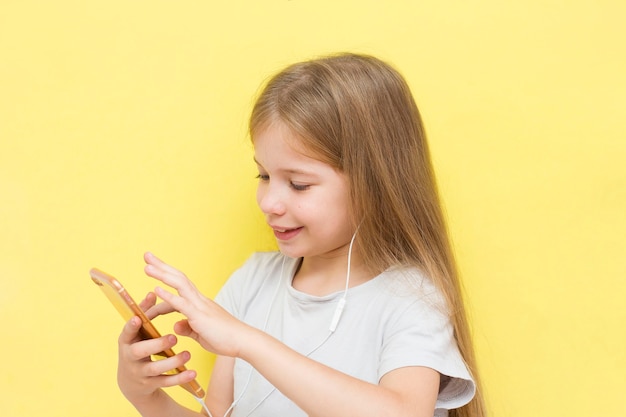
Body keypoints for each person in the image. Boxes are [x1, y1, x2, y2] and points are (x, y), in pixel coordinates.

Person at [116, 53, 487, 417]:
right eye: (263, 176)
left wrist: (248, 341)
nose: (269, 202)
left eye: (298, 184)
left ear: (374, 182)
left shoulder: (410, 299)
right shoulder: (253, 282)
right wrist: (147, 399)